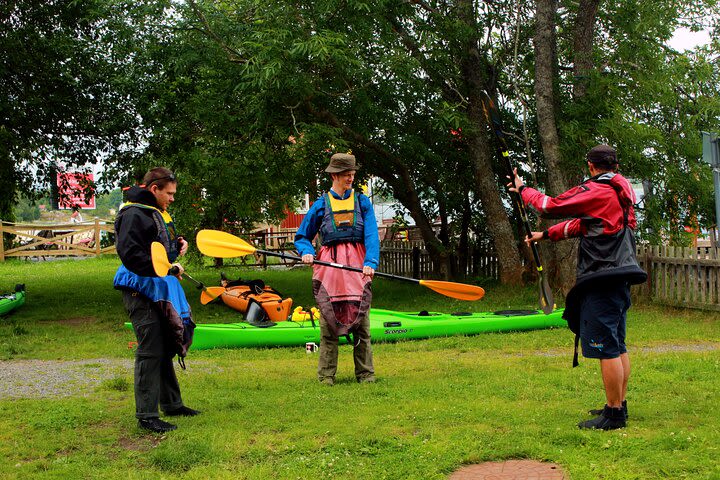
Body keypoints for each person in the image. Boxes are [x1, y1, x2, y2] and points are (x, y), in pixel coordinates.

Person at [508, 144, 647, 430]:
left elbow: (549, 206)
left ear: (591, 166)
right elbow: (582, 226)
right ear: (614, 165)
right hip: (620, 276)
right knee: (617, 344)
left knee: (606, 348)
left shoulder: (597, 190)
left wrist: (523, 189)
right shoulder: (620, 192)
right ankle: (619, 403)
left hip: (601, 278)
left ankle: (614, 413)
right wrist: (545, 235)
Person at [113, 167, 200, 433]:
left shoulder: (156, 211)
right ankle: (147, 415)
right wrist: (168, 269)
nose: (172, 199)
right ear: (154, 189)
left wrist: (178, 246)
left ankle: (172, 404)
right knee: (150, 349)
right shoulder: (133, 214)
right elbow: (132, 257)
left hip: (158, 288)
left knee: (163, 347)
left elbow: (160, 248)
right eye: (169, 194)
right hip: (139, 289)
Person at [294, 153, 380, 386]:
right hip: (329, 273)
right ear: (334, 175)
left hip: (356, 271)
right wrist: (306, 252)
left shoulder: (362, 203)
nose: (351, 178)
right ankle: (326, 376)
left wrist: (370, 263)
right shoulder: (321, 205)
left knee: (362, 325)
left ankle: (366, 374)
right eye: (345, 174)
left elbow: (372, 235)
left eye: (352, 174)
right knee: (328, 326)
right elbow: (302, 236)